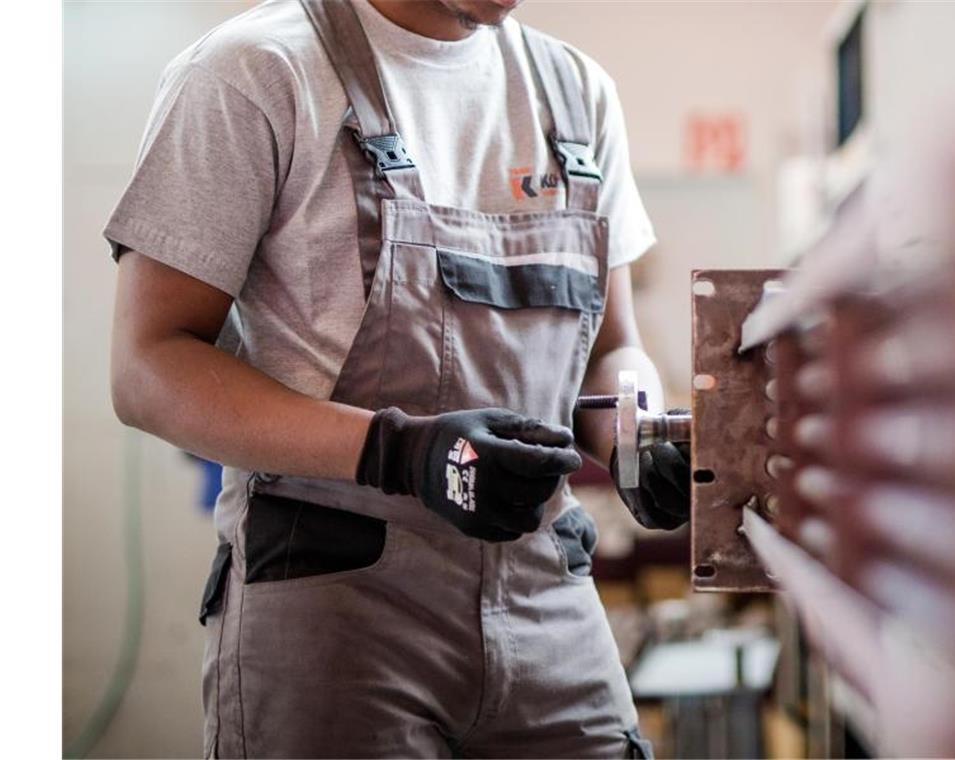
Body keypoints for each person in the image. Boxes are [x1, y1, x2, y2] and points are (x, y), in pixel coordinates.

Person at [106, 0, 690, 756]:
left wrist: (637, 436)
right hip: (337, 612)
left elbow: (613, 349)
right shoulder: (255, 72)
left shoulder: (575, 92)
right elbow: (147, 366)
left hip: (546, 597)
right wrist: (400, 451)